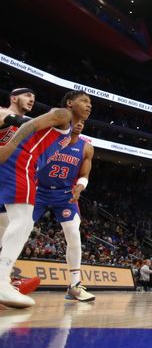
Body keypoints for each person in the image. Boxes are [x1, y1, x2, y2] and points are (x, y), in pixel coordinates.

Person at [0, 90, 91, 308]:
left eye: (90, 103)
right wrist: (9, 147)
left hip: (19, 165)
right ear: (70, 103)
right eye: (84, 101)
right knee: (23, 221)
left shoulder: (70, 133)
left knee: (8, 224)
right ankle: (2, 281)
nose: (89, 105)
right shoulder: (63, 115)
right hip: (19, 163)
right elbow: (29, 126)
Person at [33, 119, 95, 302]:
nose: (79, 124)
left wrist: (80, 187)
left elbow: (84, 175)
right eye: (75, 120)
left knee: (73, 234)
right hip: (39, 190)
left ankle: (74, 286)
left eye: (82, 121)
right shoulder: (50, 139)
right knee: (19, 229)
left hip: (65, 194)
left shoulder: (86, 147)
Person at [0, 88, 42, 297]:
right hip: (4, 172)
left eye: (34, 99)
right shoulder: (3, 114)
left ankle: (5, 278)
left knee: (9, 229)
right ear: (14, 98)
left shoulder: (26, 126)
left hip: (8, 177)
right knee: (21, 222)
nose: (31, 100)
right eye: (27, 96)